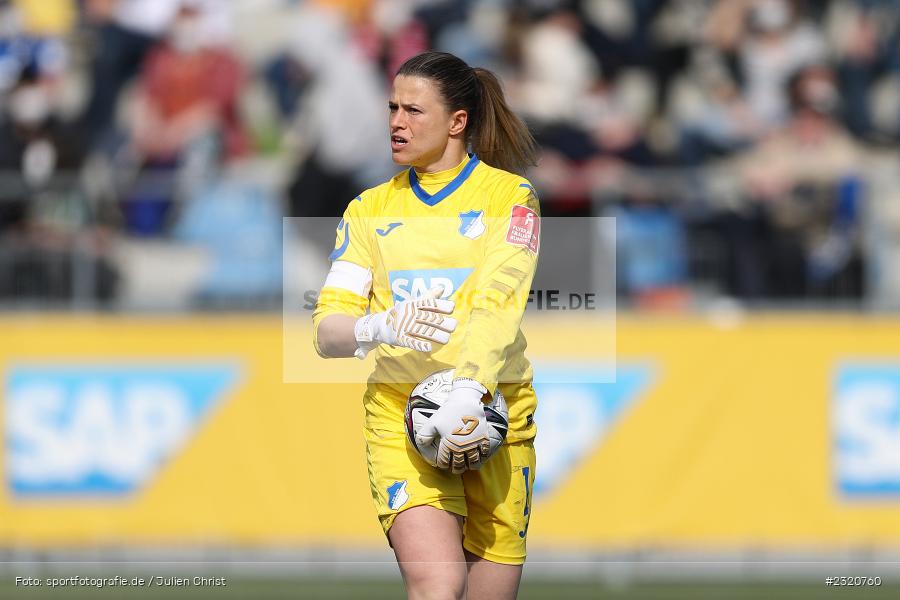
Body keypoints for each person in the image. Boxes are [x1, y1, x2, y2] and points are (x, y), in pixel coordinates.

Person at [312, 51, 540, 599]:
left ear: (457, 122)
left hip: (492, 412)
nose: (396, 121)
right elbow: (328, 331)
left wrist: (467, 387)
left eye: (413, 110)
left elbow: (497, 303)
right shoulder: (366, 209)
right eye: (392, 107)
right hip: (401, 414)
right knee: (438, 582)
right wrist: (379, 327)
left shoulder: (511, 198)